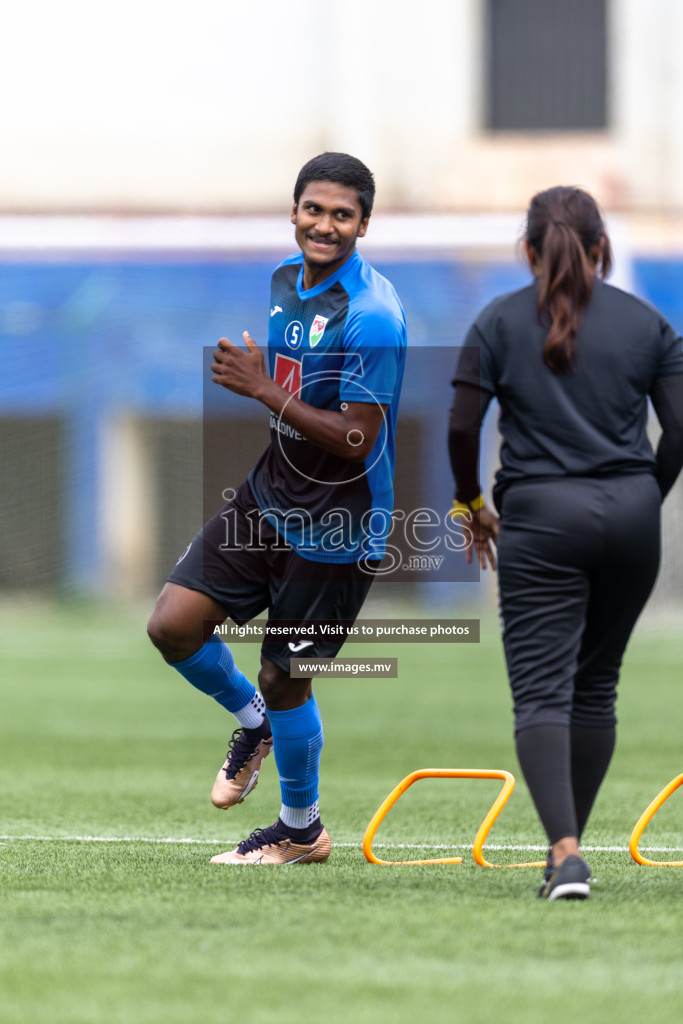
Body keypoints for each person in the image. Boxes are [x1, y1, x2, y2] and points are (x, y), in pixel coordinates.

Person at [147, 152, 406, 865]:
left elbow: (358, 437)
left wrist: (262, 389)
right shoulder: (284, 284)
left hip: (338, 521)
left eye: (341, 215)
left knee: (285, 674)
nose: (324, 225)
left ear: (363, 224)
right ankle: (251, 725)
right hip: (270, 495)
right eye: (313, 210)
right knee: (172, 624)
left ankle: (300, 831)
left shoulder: (372, 316)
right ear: (293, 211)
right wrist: (271, 394)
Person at [448, 185, 683, 900]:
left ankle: (565, 853)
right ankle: (566, 852)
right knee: (595, 685)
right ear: (601, 248)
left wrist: (470, 505)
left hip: (543, 519)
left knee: (541, 691)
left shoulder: (496, 321)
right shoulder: (649, 324)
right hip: (633, 516)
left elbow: (460, 428)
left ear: (526, 251)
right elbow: (678, 430)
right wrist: (646, 495)